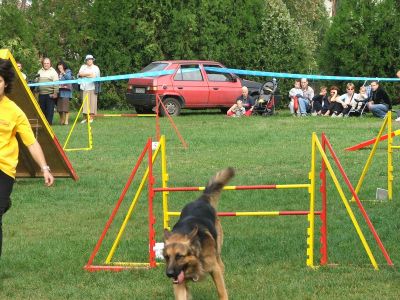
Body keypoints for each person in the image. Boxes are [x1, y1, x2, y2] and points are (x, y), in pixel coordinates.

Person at [0, 58, 54, 257]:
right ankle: (4, 203)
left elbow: (31, 142)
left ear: (5, 83)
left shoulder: (14, 111)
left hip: (4, 168)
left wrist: (45, 168)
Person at [78, 54, 100, 123]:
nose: (89, 61)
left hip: (93, 87)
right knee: (84, 103)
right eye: (88, 60)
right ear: (86, 61)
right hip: (84, 88)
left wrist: (85, 75)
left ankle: (91, 118)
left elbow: (94, 76)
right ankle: (85, 118)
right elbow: (80, 74)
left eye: (90, 59)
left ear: (92, 60)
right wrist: (88, 74)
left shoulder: (96, 67)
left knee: (92, 103)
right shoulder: (83, 66)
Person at [36, 58, 59, 125]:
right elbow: (36, 81)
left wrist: (55, 93)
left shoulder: (53, 72)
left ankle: (49, 124)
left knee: (49, 110)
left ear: (50, 64)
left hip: (50, 94)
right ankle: (43, 124)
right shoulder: (39, 71)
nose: (46, 65)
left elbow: (56, 83)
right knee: (42, 110)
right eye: (45, 63)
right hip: (41, 94)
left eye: (47, 63)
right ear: (43, 64)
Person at [56, 61, 73, 125]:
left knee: (66, 107)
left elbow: (69, 78)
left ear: (64, 65)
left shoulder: (68, 71)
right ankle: (62, 119)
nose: (59, 66)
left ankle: (66, 121)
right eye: (58, 65)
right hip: (59, 91)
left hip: (66, 91)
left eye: (61, 65)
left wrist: (63, 72)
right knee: (59, 107)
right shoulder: (57, 72)